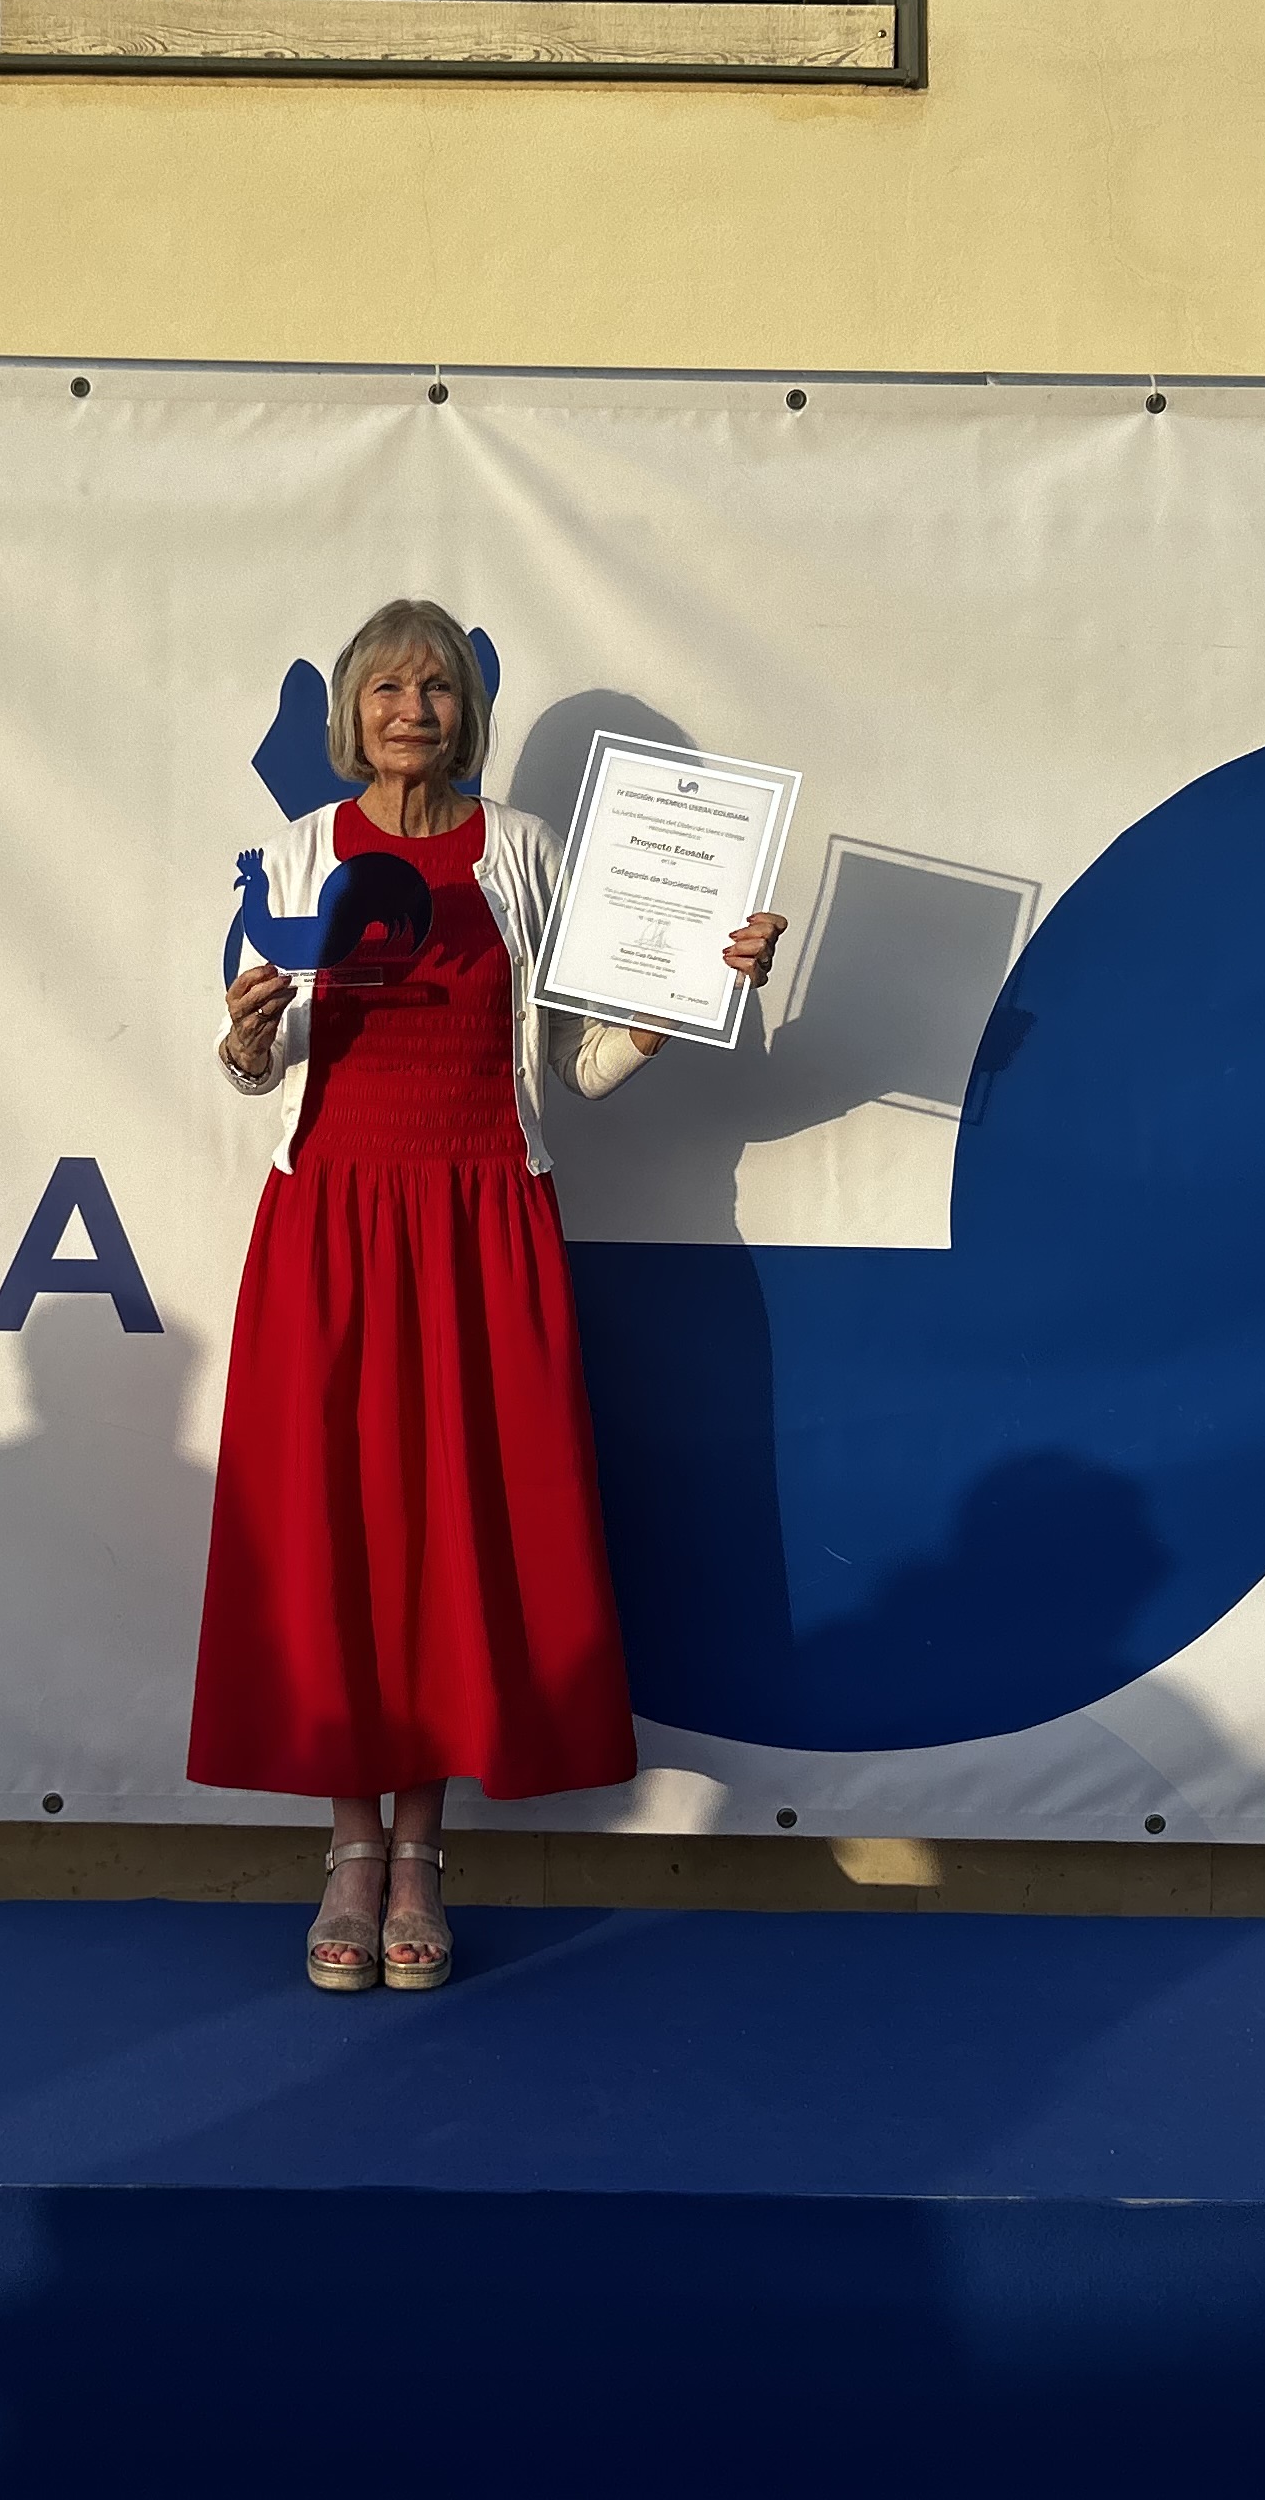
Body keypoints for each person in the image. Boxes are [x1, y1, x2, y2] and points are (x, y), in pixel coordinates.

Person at [192, 601, 784, 1990]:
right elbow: (253, 1061)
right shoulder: (295, 852)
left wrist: (684, 994)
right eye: (388, 689)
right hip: (333, 1225)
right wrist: (243, 1037)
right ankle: (348, 1852)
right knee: (340, 1526)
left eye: (439, 689)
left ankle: (421, 1856)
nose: (414, 710)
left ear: (468, 712)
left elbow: (576, 1068)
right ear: (351, 714)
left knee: (453, 1527)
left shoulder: (524, 850)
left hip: (482, 1223)